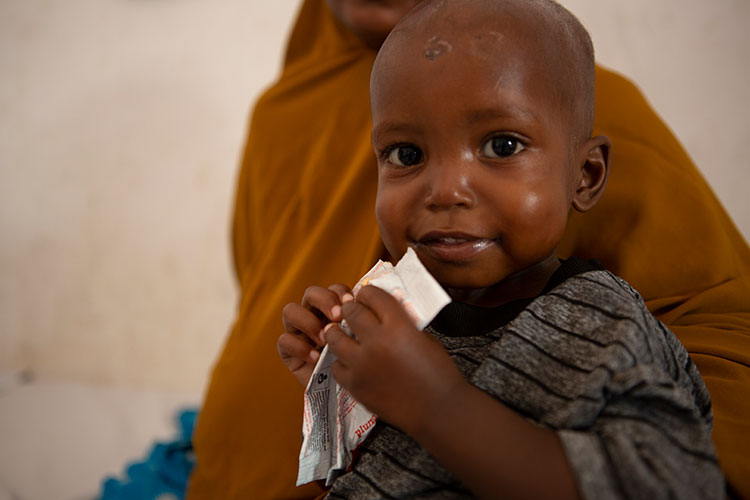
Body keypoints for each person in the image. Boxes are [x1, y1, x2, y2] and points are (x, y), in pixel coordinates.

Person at [186, 1, 750, 498]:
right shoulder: (281, 111)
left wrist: (438, 404)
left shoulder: (552, 91)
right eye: (404, 154)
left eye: (501, 146)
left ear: (587, 174)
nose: (446, 190)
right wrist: (335, 374)